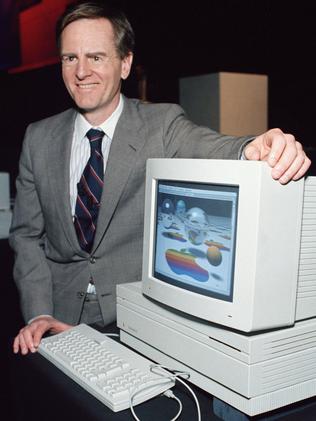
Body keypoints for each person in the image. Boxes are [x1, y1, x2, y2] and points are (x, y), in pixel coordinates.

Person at [10, 1, 311, 355]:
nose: (81, 71)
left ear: (124, 64)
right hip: (54, 322)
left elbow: (208, 145)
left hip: (135, 324)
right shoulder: (37, 137)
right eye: (69, 58)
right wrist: (39, 314)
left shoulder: (162, 125)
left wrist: (256, 147)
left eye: (96, 57)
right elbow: (27, 236)